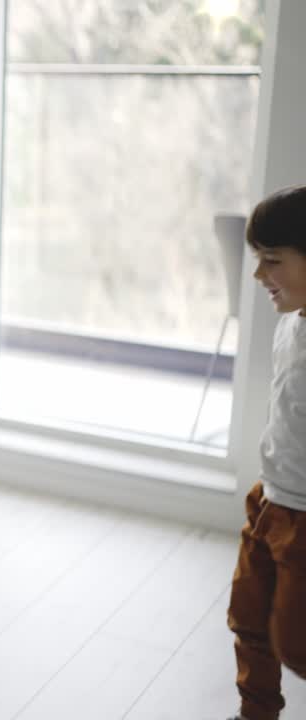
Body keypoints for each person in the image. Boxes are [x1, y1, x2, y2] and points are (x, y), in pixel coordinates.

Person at [227, 184, 306, 720]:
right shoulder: (289, 325)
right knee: (249, 619)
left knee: (297, 643)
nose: (259, 277)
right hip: (270, 495)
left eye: (272, 262)